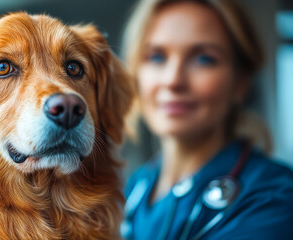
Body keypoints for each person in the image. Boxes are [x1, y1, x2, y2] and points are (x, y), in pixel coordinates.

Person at [121, 0, 293, 239]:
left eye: (204, 59)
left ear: (240, 82)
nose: (173, 80)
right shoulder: (133, 188)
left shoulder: (273, 196)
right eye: (156, 57)